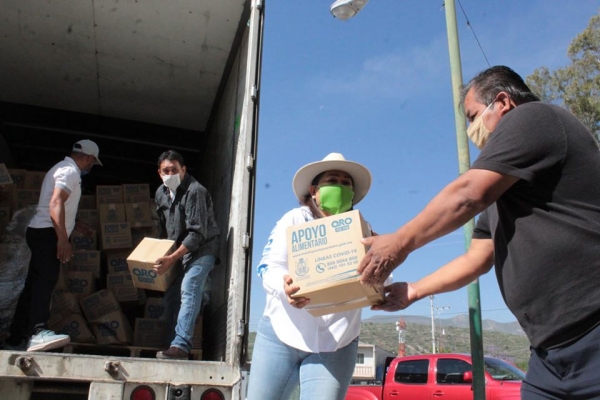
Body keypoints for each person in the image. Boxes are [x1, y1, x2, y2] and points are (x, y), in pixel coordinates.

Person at [358, 65, 600, 399]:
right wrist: (414, 290)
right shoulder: (503, 196)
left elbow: (467, 194)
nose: (472, 130)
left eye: (473, 117)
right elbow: (477, 259)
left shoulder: (533, 117)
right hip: (548, 357)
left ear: (502, 102)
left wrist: (399, 243)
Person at [247, 152, 377, 400]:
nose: (339, 186)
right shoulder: (294, 219)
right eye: (332, 180)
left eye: (345, 183)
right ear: (314, 191)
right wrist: (285, 286)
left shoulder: (365, 230)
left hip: (337, 343)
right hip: (281, 336)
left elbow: (381, 276)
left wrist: (383, 288)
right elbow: (268, 265)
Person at [6, 139, 102, 352]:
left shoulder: (62, 168)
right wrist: (62, 239)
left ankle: (16, 336)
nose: (91, 167)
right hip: (47, 234)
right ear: (88, 158)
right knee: (45, 283)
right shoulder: (70, 172)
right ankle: (38, 332)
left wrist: (75, 225)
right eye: (92, 163)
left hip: (40, 232)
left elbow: (59, 203)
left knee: (33, 284)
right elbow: (56, 203)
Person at [154, 150, 220, 360]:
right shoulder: (160, 193)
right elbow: (161, 227)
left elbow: (197, 233)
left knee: (189, 287)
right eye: (166, 170)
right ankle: (170, 344)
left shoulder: (195, 191)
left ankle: (181, 346)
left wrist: (171, 259)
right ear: (159, 172)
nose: (170, 173)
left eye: (175, 170)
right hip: (178, 253)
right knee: (172, 298)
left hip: (203, 249)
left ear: (184, 170)